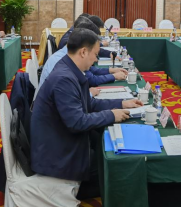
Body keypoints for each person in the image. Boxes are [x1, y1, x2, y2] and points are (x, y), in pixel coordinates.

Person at [29, 28, 142, 203]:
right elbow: (77, 122)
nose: (96, 59)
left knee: (105, 149)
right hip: (58, 157)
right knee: (120, 170)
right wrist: (111, 115)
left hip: (62, 142)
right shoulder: (64, 79)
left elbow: (90, 104)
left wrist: (121, 103)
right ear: (83, 52)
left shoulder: (69, 69)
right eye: (95, 54)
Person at [39, 19, 127, 87]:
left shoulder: (71, 53)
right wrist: (113, 76)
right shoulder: (62, 65)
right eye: (95, 54)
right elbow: (91, 80)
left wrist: (111, 70)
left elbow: (90, 71)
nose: (96, 59)